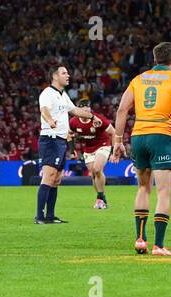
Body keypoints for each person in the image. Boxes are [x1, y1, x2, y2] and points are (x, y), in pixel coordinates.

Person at [111, 42, 171, 255]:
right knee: (164, 192)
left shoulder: (138, 79)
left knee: (143, 188)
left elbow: (122, 109)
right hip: (160, 136)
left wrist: (117, 142)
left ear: (154, 59)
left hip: (137, 137)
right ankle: (159, 246)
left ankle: (140, 240)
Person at [36, 66, 94, 224]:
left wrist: (91, 116)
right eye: (64, 73)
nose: (68, 75)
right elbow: (44, 109)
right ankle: (39, 216)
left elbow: (74, 110)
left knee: (56, 179)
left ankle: (50, 216)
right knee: (48, 177)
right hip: (50, 139)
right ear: (55, 76)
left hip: (61, 140)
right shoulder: (47, 93)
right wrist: (49, 120)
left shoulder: (63, 95)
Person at [69, 97, 114, 209]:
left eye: (88, 108)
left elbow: (113, 132)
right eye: (84, 109)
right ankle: (102, 198)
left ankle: (99, 199)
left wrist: (113, 151)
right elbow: (69, 134)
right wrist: (72, 149)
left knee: (97, 169)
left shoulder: (98, 119)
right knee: (93, 174)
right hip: (88, 149)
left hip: (103, 145)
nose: (87, 110)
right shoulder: (73, 122)